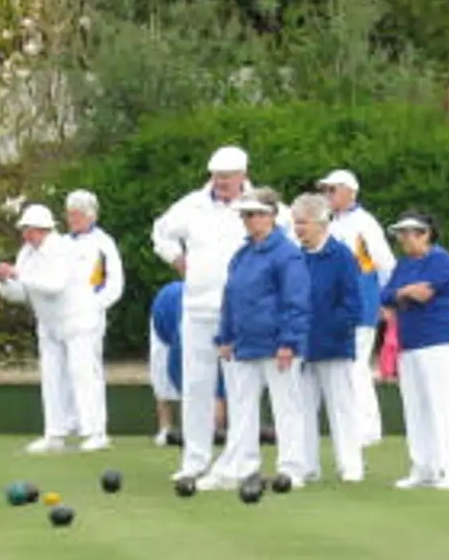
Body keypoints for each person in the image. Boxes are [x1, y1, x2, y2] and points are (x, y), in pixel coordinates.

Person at [152, 145, 274, 482]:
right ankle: (195, 459)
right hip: (196, 306)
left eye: (228, 177)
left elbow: (285, 239)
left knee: (241, 386)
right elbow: (161, 231)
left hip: (241, 310)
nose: (221, 182)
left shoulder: (260, 204)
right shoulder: (191, 204)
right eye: (216, 176)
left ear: (243, 175)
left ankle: (241, 460)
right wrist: (176, 258)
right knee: (196, 385)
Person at [206, 187, 311, 491]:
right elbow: (231, 297)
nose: (248, 221)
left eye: (253, 215)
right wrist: (225, 336)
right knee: (241, 408)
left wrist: (289, 342)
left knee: (286, 407)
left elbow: (297, 300)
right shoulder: (242, 255)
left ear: (270, 216)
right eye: (245, 215)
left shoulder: (287, 254)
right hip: (244, 344)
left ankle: (291, 469)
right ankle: (242, 465)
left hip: (277, 344)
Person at [0, 203, 110, 453]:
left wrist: (18, 274)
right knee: (51, 378)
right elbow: (21, 294)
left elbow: (54, 285)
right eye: (24, 229)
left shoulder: (61, 248)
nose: (25, 235)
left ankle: (95, 432)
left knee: (83, 376)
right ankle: (54, 434)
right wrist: (4, 282)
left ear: (43, 229)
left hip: (77, 319)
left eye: (29, 229)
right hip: (48, 324)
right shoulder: (26, 253)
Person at [382, 209, 449, 490]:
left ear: (425, 234)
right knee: (415, 407)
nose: (403, 239)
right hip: (410, 343)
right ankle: (424, 468)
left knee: (441, 406)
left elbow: (424, 294)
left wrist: (404, 293)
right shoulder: (404, 264)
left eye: (408, 233)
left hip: (437, 341)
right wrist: (404, 291)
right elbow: (387, 296)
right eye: (401, 234)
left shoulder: (440, 259)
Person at [291, 191, 370, 484]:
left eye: (303, 223)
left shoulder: (342, 256)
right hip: (302, 346)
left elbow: (352, 304)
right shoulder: (295, 256)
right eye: (296, 222)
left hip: (334, 345)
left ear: (321, 223)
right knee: (302, 409)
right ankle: (307, 465)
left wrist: (330, 330)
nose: (298, 229)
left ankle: (351, 465)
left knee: (342, 408)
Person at [320, 169, 394, 445]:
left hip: (361, 304)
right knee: (346, 367)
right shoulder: (328, 222)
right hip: (336, 306)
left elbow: (385, 263)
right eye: (326, 190)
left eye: (332, 190)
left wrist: (385, 301)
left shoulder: (365, 223)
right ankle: (354, 425)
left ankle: (368, 428)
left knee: (356, 366)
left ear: (350, 191)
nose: (327, 195)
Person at [64, 189, 124, 381]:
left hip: (89, 320)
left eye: (76, 214)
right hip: (63, 318)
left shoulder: (104, 244)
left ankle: (91, 412)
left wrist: (93, 306)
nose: (71, 219)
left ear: (90, 216)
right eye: (69, 213)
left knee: (88, 372)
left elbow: (115, 284)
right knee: (65, 374)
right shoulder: (61, 243)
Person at [149, 279, 186, 447]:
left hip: (200, 318)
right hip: (164, 313)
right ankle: (165, 427)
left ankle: (194, 428)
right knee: (161, 368)